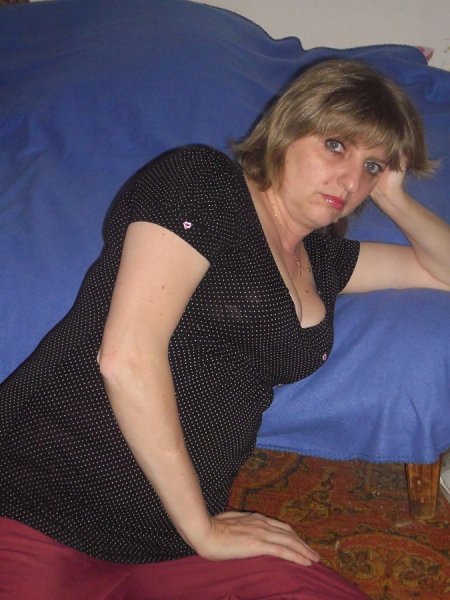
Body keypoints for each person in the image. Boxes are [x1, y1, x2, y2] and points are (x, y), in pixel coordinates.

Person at [1, 58, 449, 600]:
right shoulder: (204, 184)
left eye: (371, 165)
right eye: (336, 146)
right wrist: (204, 529)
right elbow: (127, 357)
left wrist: (393, 196)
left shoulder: (323, 261)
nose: (351, 180)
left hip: (171, 535)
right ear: (288, 128)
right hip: (39, 500)